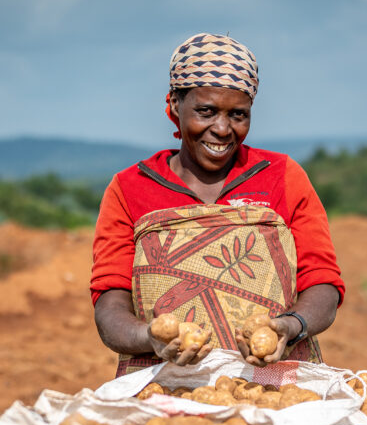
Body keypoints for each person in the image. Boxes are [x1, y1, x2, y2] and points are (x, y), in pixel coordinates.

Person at [91, 33, 345, 376]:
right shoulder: (131, 188)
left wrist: (290, 326)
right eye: (206, 111)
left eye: (238, 114)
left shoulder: (282, 177)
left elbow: (323, 284)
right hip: (163, 387)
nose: (223, 129)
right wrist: (147, 337)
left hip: (276, 385)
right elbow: (110, 302)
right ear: (174, 105)